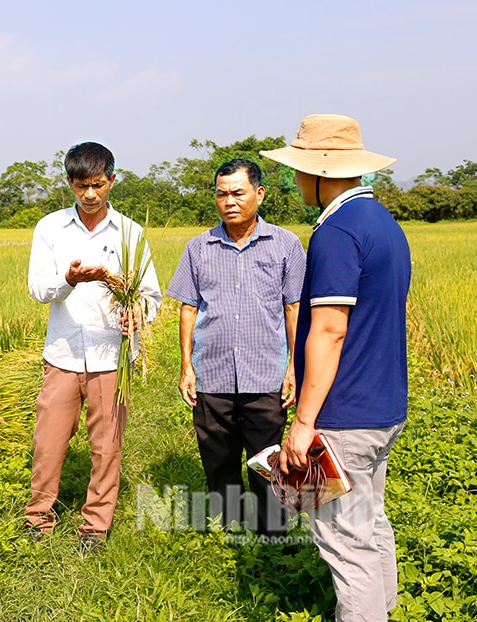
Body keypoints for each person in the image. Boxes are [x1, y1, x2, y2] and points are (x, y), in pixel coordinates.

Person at [261, 114, 410, 621]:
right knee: (369, 522)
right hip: (384, 407)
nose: (295, 179)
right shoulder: (384, 224)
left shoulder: (337, 232)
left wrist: (302, 425)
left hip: (344, 414)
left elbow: (329, 330)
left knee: (346, 544)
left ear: (321, 170)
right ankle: (384, 610)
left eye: (298, 169)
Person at [25, 141, 162, 553]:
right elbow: (37, 288)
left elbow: (150, 296)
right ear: (69, 183)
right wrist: (69, 279)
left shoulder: (130, 233)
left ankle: (95, 528)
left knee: (106, 446)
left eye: (98, 185)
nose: (90, 194)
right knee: (48, 442)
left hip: (110, 355)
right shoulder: (49, 228)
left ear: (112, 181)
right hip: (63, 353)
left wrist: (136, 312)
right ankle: (38, 518)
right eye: (82, 185)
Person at [166, 158, 305, 539]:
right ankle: (231, 524)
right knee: (218, 456)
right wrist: (186, 366)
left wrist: (295, 366)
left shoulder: (286, 244)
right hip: (212, 372)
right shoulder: (199, 247)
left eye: (238, 193)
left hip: (266, 372)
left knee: (269, 458)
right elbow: (188, 308)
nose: (229, 201)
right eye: (221, 194)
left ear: (259, 195)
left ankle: (273, 535)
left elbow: (294, 308)